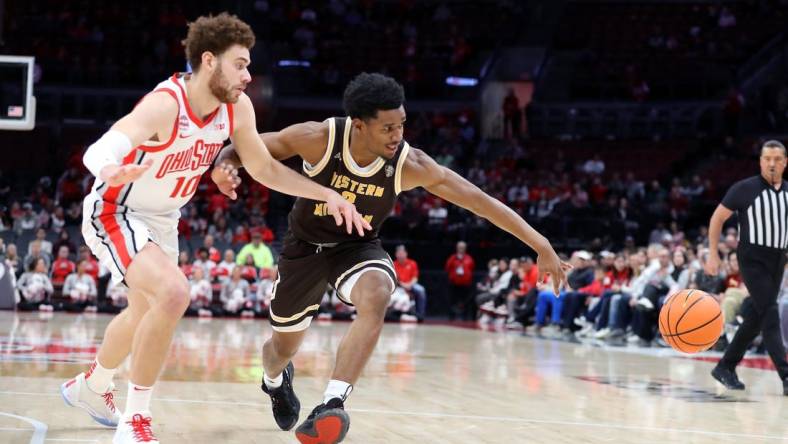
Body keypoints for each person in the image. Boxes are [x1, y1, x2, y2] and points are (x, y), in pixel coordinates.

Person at [59, 14, 369, 444]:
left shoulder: (237, 108)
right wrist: (111, 167)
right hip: (117, 210)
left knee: (143, 312)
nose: (248, 75)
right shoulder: (167, 103)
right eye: (240, 64)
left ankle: (92, 386)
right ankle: (135, 421)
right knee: (173, 293)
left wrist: (326, 194)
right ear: (209, 61)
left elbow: (262, 167)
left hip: (164, 219)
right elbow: (107, 143)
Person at [214, 72, 569, 443]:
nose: (397, 134)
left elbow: (479, 200)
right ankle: (274, 381)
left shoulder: (409, 163)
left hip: (357, 248)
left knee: (379, 291)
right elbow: (247, 147)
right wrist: (225, 165)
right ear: (359, 125)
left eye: (401, 124)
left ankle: (332, 403)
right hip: (304, 249)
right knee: (281, 349)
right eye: (386, 128)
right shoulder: (319, 138)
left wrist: (540, 244)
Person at [706, 140, 788, 396]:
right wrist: (712, 253)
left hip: (778, 260)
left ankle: (725, 366)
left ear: (785, 162)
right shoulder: (744, 188)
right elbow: (717, 218)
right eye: (767, 158)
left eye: (777, 158)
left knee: (755, 316)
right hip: (752, 258)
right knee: (770, 312)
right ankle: (786, 375)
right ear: (760, 161)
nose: (772, 163)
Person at [392, 244, 426, 321]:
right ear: (396, 254)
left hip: (411, 284)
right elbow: (395, 279)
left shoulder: (412, 263)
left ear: (406, 253)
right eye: (399, 253)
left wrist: (410, 284)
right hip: (398, 286)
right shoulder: (393, 264)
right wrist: (403, 285)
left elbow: (415, 277)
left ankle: (420, 314)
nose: (400, 255)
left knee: (421, 290)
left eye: (402, 253)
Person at [444, 241, 475, 320]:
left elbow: (472, 268)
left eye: (463, 247)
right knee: (452, 301)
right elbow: (447, 268)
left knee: (465, 301)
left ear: (465, 248)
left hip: (465, 284)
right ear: (457, 248)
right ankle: (451, 317)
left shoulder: (469, 258)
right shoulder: (452, 258)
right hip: (454, 283)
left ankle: (465, 318)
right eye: (459, 247)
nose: (461, 249)